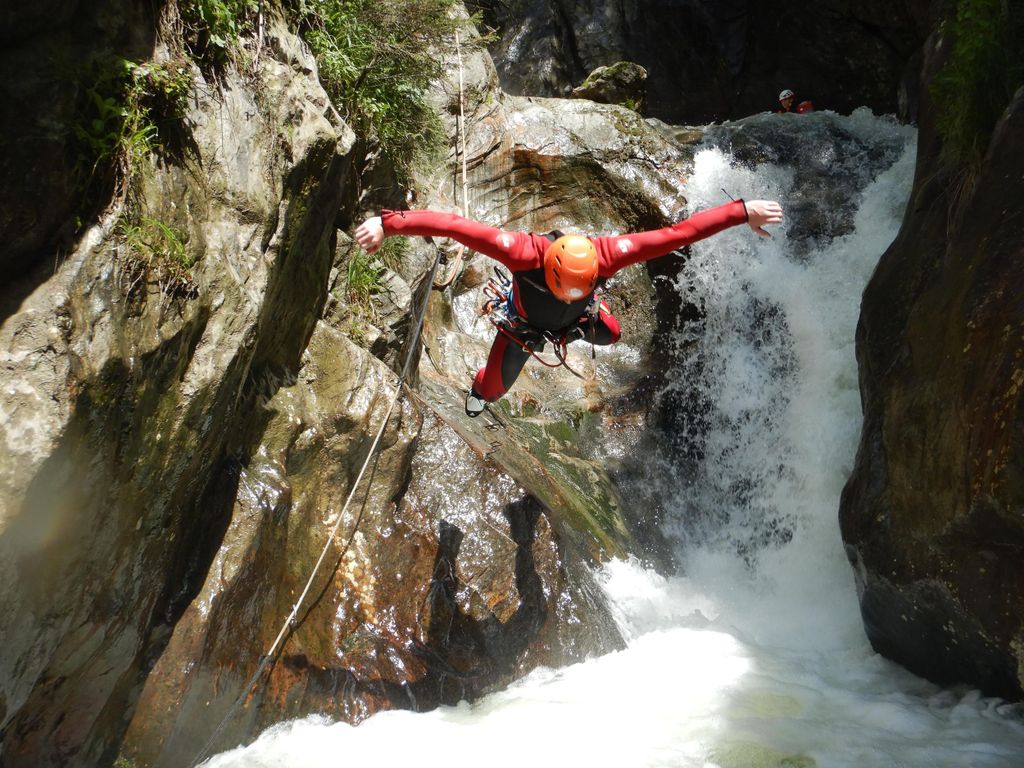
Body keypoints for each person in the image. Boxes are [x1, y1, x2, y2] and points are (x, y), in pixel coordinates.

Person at [354, 199, 783, 416]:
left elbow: (677, 234)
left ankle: (578, 321)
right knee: (490, 392)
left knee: (612, 334)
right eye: (562, 290)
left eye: (577, 289)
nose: (564, 293)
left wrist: (742, 211)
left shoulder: (609, 253)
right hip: (523, 327)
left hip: (577, 321)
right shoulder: (522, 252)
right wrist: (387, 223)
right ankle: (479, 385)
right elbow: (454, 226)